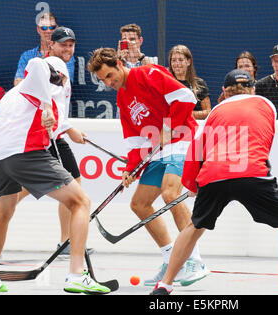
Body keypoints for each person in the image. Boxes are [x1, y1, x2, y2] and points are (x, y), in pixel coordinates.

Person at [150, 69, 278, 295]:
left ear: (223, 91)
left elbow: (197, 150)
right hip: (251, 170)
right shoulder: (267, 105)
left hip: (214, 173)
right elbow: (264, 141)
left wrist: (193, 186)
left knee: (194, 227)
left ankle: (165, 285)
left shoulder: (215, 112)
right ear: (253, 88)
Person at [0, 56, 110, 294]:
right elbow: (38, 65)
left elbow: (44, 127)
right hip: (25, 153)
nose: (60, 83)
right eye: (58, 78)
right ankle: (77, 275)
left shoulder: (12, 97)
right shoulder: (33, 85)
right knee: (81, 202)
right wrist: (48, 104)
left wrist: (68, 129)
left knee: (3, 211)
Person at [87, 47, 209, 286]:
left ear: (119, 65)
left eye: (110, 76)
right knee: (139, 204)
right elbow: (136, 141)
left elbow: (185, 97)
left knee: (170, 193)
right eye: (103, 80)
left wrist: (168, 125)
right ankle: (171, 259)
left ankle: (194, 260)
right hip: (158, 148)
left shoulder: (147, 73)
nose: (109, 82)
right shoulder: (122, 98)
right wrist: (131, 170)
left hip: (182, 139)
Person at [0, 27, 92, 258]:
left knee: (39, 187)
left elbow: (57, 110)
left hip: (51, 135)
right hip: (44, 139)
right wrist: (54, 115)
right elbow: (39, 78)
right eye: (62, 44)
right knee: (76, 191)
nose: (67, 48)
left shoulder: (62, 70)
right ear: (51, 46)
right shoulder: (50, 64)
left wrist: (69, 127)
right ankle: (67, 245)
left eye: (71, 45)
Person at [13, 12, 75, 86]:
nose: (48, 31)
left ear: (57, 28)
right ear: (38, 30)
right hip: (31, 97)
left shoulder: (65, 54)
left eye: (52, 27)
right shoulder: (27, 56)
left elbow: (66, 82)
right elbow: (17, 82)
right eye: (44, 28)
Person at [168, 44, 211, 120]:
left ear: (188, 62)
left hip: (193, 129)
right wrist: (166, 132)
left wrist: (186, 113)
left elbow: (207, 112)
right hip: (169, 128)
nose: (177, 64)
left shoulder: (199, 84)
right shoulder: (166, 83)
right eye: (173, 60)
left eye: (181, 60)